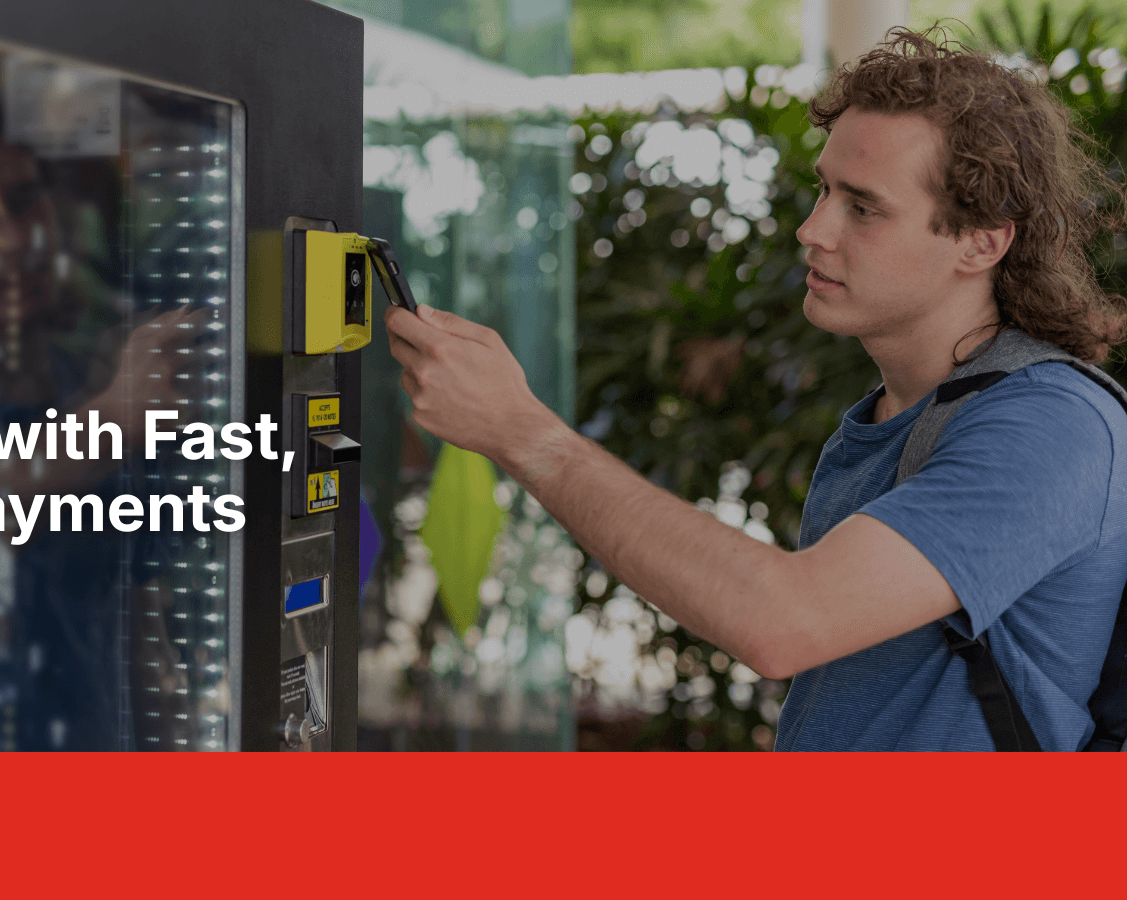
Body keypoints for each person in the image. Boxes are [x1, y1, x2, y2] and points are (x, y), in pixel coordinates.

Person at [385, 28, 1127, 750]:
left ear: (983, 241)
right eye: (824, 191)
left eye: (862, 207)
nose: (813, 230)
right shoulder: (884, 420)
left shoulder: (1052, 425)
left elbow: (786, 622)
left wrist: (524, 433)